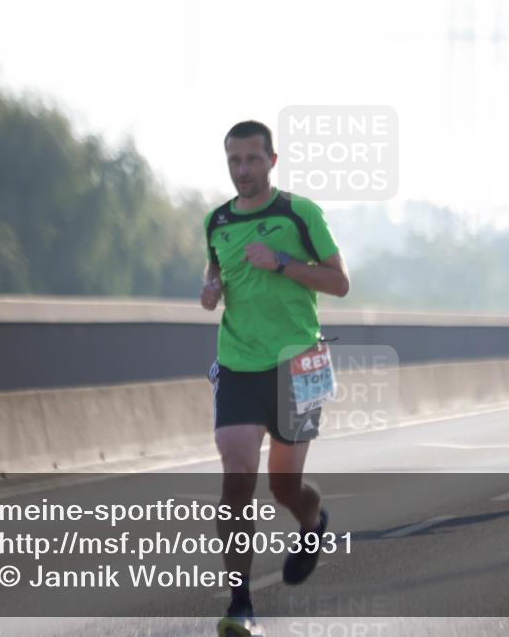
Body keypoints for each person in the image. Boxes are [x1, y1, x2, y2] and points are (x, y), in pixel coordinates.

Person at [201, 120, 350, 637]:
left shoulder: (299, 213)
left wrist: (282, 262)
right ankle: (240, 604)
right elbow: (216, 274)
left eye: (252, 160)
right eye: (234, 161)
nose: (243, 170)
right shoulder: (216, 220)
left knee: (283, 486)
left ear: (272, 160)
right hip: (238, 362)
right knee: (236, 475)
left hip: (299, 363)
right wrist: (210, 289)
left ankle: (312, 522)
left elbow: (340, 282)